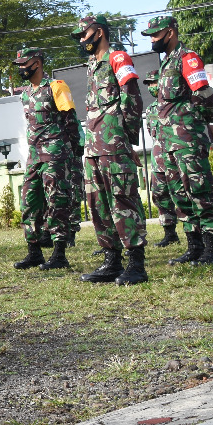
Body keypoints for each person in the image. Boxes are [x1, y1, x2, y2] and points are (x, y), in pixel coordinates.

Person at [143, 16, 213, 266]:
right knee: (180, 194)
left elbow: (204, 92)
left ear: (170, 33)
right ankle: (194, 246)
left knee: (199, 191)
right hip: (169, 142)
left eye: (156, 35)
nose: (153, 40)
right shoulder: (167, 62)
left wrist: (199, 124)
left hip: (187, 139)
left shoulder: (186, 58)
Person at [72, 16, 149, 285]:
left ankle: (136, 264)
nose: (82, 40)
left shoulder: (118, 58)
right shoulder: (92, 65)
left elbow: (132, 96)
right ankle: (111, 261)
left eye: (85, 34)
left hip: (114, 144)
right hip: (94, 147)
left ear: (100, 32)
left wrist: (126, 137)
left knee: (123, 200)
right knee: (98, 205)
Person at [11, 47, 80, 271]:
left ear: (38, 63)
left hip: (56, 152)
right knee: (29, 202)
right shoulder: (25, 94)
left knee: (57, 201)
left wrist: (73, 150)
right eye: (19, 64)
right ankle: (34, 252)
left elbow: (70, 120)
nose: (21, 68)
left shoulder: (56, 87)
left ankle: (59, 253)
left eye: (25, 63)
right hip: (34, 155)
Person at [143, 70, 186, 248]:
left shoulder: (175, 105)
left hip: (174, 157)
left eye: (155, 83)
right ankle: (170, 233)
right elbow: (151, 133)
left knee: (181, 194)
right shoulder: (150, 109)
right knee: (160, 196)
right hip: (158, 160)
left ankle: (192, 232)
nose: (152, 87)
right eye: (149, 84)